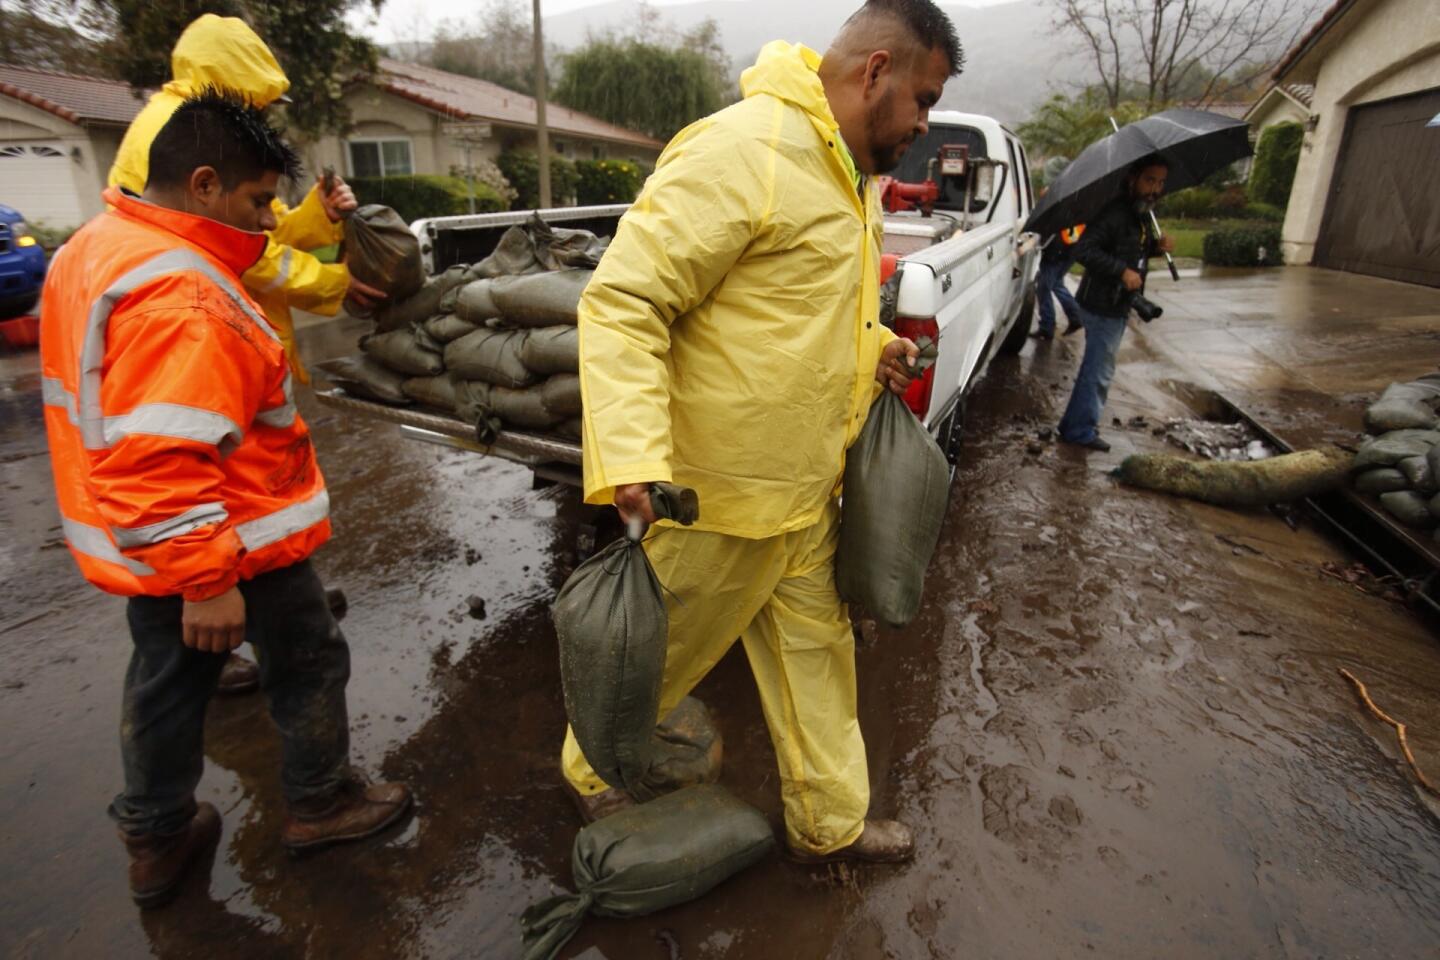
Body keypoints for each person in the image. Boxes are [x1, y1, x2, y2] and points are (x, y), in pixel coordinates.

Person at [560, 0, 963, 865]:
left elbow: (797, 320)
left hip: (808, 492)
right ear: (876, 71)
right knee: (653, 661)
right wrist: (631, 456)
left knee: (820, 667)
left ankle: (831, 825)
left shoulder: (850, 177)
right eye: (924, 100)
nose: (926, 125)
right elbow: (626, 302)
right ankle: (596, 776)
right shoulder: (743, 150)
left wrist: (877, 348)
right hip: (721, 501)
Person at [39, 90, 411, 910]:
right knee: (307, 660)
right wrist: (208, 579)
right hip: (230, 537)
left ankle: (155, 834)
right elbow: (159, 453)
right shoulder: (186, 296)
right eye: (255, 202)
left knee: (168, 682)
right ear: (203, 184)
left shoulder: (97, 247)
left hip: (147, 543)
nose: (264, 220)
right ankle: (321, 802)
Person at [109, 14, 386, 695]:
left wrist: (316, 216)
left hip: (232, 344)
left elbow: (257, 224)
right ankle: (228, 625)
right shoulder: (167, 141)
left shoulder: (203, 129)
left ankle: (271, 607)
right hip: (205, 353)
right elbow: (248, 253)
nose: (262, 115)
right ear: (228, 85)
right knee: (214, 483)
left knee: (248, 491)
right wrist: (335, 284)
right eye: (256, 101)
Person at [1057, 156, 1176, 451]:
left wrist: (1154, 250)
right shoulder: (1115, 213)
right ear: (1132, 179)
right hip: (1102, 303)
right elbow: (1084, 251)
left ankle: (1075, 426)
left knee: (1098, 368)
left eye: (1161, 182)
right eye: (1150, 180)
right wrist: (1121, 272)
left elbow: (1128, 250)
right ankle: (1079, 431)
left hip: (1119, 303)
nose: (1155, 189)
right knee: (1098, 370)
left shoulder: (1142, 215)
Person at [1030, 223, 1085, 341]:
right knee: (1056, 285)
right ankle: (1075, 317)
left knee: (1043, 289)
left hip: (1056, 255)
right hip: (1065, 254)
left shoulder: (1064, 216)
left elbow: (1062, 238)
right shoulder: (1076, 214)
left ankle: (1047, 327)